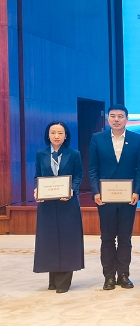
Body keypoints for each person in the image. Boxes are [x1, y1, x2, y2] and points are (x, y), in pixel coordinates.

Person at [89, 104, 140, 290]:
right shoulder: (97, 138)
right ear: (108, 118)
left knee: (125, 238)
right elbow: (93, 168)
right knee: (107, 238)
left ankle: (123, 275)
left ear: (127, 119)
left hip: (128, 197)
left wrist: (137, 191)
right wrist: (96, 191)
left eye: (120, 116)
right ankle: (109, 276)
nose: (116, 119)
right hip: (105, 198)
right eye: (112, 116)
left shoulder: (137, 139)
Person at [33, 121, 84, 294]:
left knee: (67, 239)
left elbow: (78, 175)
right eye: (53, 132)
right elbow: (37, 176)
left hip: (67, 202)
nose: (56, 136)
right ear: (48, 135)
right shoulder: (41, 154)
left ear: (66, 135)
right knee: (49, 239)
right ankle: (53, 278)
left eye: (60, 133)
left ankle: (64, 281)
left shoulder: (74, 154)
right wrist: (37, 189)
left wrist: (72, 189)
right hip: (47, 204)